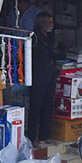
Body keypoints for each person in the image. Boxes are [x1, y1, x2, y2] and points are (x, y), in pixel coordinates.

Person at [28, 13, 56, 142]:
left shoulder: (50, 37)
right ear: (41, 24)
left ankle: (45, 136)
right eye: (48, 23)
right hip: (38, 78)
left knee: (47, 107)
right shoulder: (34, 38)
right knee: (35, 109)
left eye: (52, 22)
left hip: (50, 76)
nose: (51, 25)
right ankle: (32, 138)